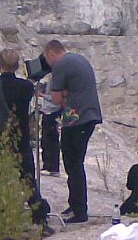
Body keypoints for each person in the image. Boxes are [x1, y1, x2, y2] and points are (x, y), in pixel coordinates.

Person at [0, 48, 50, 228]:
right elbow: (28, 87)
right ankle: (39, 219)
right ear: (17, 66)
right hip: (20, 138)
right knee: (28, 179)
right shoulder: (26, 87)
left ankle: (1, 219)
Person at [43, 40, 102, 224]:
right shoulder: (78, 59)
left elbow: (55, 98)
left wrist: (56, 94)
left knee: (73, 164)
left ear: (51, 53)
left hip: (77, 119)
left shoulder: (61, 65)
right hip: (88, 116)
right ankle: (74, 203)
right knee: (75, 163)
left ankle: (79, 210)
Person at [37, 74, 61, 175]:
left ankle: (52, 167)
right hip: (47, 110)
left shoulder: (57, 78)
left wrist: (42, 95)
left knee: (51, 139)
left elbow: (56, 98)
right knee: (45, 139)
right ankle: (47, 165)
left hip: (53, 111)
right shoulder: (50, 77)